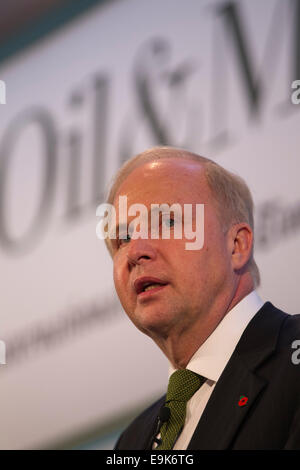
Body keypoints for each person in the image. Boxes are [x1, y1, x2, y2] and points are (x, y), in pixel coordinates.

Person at [103, 146, 300, 450]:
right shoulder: (131, 443)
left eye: (167, 222)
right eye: (124, 238)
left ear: (236, 246)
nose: (136, 251)